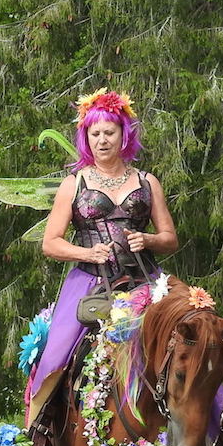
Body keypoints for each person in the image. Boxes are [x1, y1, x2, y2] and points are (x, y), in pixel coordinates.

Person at [28, 89, 178, 425]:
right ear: (86, 138)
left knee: (191, 336)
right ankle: (33, 437)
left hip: (145, 281)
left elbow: (170, 239)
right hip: (89, 282)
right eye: (94, 134)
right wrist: (87, 252)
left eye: (109, 132)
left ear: (124, 134)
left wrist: (149, 239)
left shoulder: (147, 182)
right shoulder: (74, 184)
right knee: (55, 355)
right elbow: (50, 243)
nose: (102, 140)